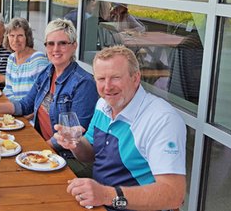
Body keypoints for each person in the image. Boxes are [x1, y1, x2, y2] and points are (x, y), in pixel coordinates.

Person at [55, 45, 186, 210]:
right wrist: (75, 143)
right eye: (101, 79)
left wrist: (107, 196)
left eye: (115, 77)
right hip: (99, 203)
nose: (108, 87)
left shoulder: (162, 120)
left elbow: (173, 196)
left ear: (136, 78)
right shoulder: (104, 103)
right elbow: (90, 155)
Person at [0, 19, 98, 175]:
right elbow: (26, 104)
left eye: (62, 43)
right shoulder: (48, 72)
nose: (56, 49)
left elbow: (73, 134)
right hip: (44, 146)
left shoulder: (84, 84)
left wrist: (39, 149)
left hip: (68, 157)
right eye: (50, 44)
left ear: (74, 46)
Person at [2, 17, 49, 102]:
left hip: (31, 113)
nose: (15, 40)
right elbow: (7, 89)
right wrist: (15, 107)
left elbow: (44, 94)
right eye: (12, 35)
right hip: (15, 110)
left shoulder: (38, 59)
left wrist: (25, 111)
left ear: (27, 37)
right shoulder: (11, 59)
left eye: (20, 36)